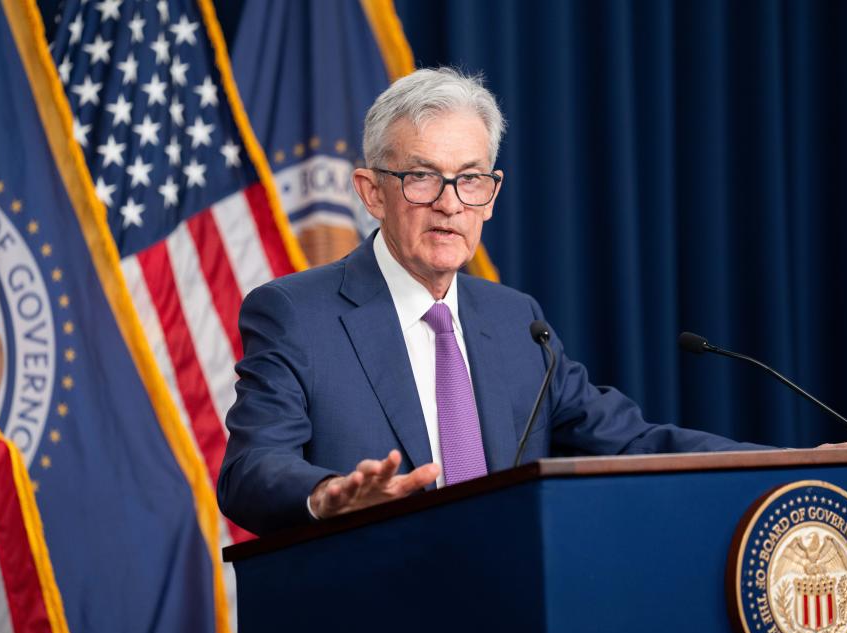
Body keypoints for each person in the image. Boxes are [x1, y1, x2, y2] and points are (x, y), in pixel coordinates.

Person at [217, 68, 778, 535]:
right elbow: (250, 470)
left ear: (492, 195)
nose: (449, 204)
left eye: (471, 180)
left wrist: (785, 466)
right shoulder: (296, 314)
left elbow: (631, 441)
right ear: (371, 193)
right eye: (421, 178)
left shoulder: (516, 321)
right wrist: (327, 495)